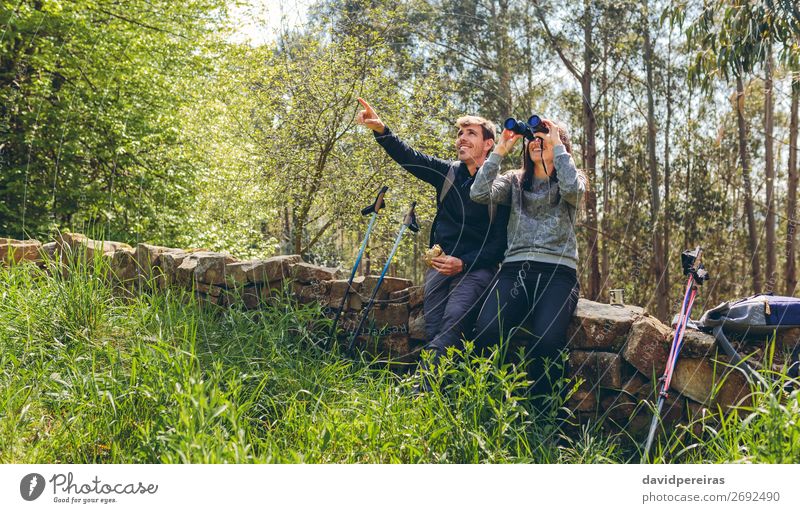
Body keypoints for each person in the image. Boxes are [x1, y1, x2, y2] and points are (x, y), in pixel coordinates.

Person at [355, 98, 510, 369]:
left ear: (489, 144)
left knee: (454, 319)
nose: (461, 138)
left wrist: (463, 263)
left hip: (476, 270)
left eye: (470, 133)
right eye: (460, 133)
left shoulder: (500, 187)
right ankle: (444, 387)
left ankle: (423, 386)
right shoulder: (447, 173)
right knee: (433, 325)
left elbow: (499, 246)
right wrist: (381, 130)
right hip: (439, 264)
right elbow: (411, 158)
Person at [470, 118, 586, 399]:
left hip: (558, 273)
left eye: (542, 137)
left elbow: (574, 191)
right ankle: (484, 399)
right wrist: (499, 149)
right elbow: (478, 193)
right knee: (486, 332)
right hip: (514, 270)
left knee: (547, 341)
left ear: (559, 143)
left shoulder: (572, 178)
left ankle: (546, 412)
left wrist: (556, 143)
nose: (536, 141)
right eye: (531, 138)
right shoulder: (514, 181)